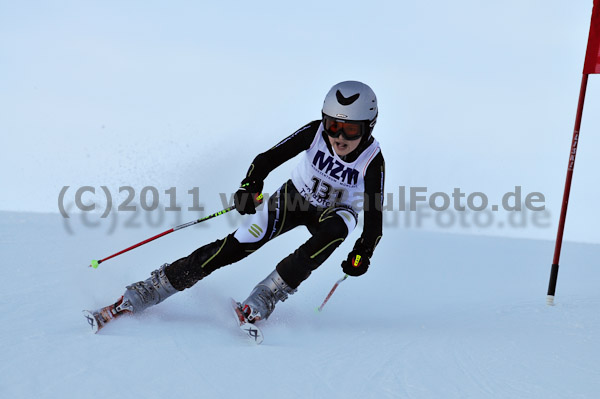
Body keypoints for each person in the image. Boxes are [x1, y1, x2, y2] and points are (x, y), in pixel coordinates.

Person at [95, 81, 385, 327]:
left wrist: (364, 252)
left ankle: (267, 294)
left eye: (350, 129)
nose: (338, 136)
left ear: (368, 127)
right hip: (296, 197)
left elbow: (373, 218)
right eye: (333, 124)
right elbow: (266, 160)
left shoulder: (372, 161)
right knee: (240, 242)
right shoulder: (314, 133)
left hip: (337, 211)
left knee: (334, 233)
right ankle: (156, 287)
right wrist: (250, 185)